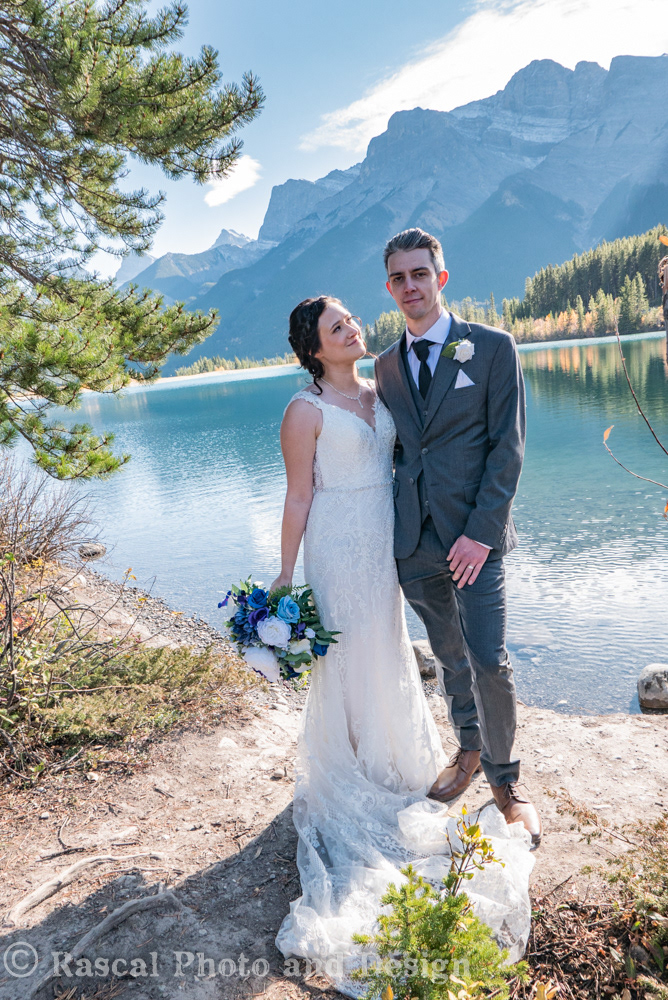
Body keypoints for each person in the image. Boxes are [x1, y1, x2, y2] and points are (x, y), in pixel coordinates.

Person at [271, 295, 534, 996]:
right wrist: (284, 575)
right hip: (336, 543)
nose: (352, 327)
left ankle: (412, 758)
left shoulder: (380, 381)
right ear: (314, 346)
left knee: (387, 653)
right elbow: (299, 496)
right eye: (337, 326)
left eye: (352, 318)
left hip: (386, 545)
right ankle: (352, 767)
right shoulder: (305, 410)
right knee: (348, 659)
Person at [374, 227, 541, 845]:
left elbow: (508, 449)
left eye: (420, 274)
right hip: (414, 541)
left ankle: (505, 782)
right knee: (448, 658)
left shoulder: (493, 348)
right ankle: (467, 751)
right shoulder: (385, 364)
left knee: (489, 661)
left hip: (477, 541)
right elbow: (393, 452)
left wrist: (480, 534)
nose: (410, 286)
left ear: (440, 278)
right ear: (389, 288)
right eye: (398, 278)